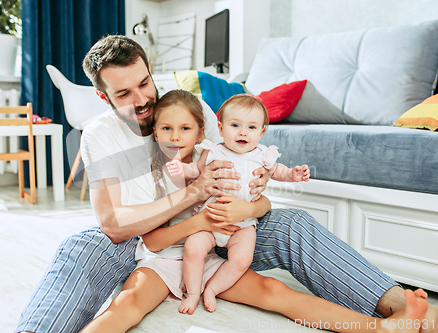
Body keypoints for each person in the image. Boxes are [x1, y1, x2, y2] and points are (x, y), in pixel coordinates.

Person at [15, 35, 438, 333]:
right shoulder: (99, 135)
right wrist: (191, 198)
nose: (142, 99)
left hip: (220, 225)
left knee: (294, 223)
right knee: (80, 247)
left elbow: (242, 174)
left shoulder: (191, 107)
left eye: (145, 82)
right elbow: (112, 223)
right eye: (124, 93)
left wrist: (254, 208)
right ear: (105, 97)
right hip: (140, 235)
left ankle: (404, 312)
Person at [78, 89, 428, 333]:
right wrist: (200, 217)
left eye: (185, 128)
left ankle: (380, 329)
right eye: (166, 129)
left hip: (212, 253)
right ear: (154, 132)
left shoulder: (212, 159)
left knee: (275, 292)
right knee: (127, 305)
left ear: (202, 133)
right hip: (163, 260)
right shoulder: (150, 172)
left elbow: (259, 198)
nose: (174, 136)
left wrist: (252, 204)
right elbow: (152, 242)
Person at [166, 94, 310, 314]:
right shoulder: (214, 151)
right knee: (193, 248)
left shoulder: (263, 155)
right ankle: (193, 292)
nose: (243, 132)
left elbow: (278, 171)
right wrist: (181, 168)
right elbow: (195, 170)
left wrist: (293, 174)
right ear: (221, 128)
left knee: (242, 260)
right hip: (211, 219)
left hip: (243, 225)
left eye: (251, 127)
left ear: (261, 132)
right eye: (235, 125)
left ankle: (212, 289)